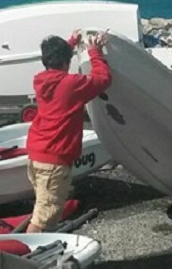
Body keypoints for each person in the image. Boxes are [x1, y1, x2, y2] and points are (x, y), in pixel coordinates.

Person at [25, 30, 112, 233]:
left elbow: (57, 61)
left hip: (37, 154)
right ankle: (27, 259)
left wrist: (71, 42)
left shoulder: (41, 80)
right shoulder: (71, 84)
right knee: (43, 220)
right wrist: (95, 52)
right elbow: (103, 79)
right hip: (54, 160)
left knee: (43, 210)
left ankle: (40, 251)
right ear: (66, 60)